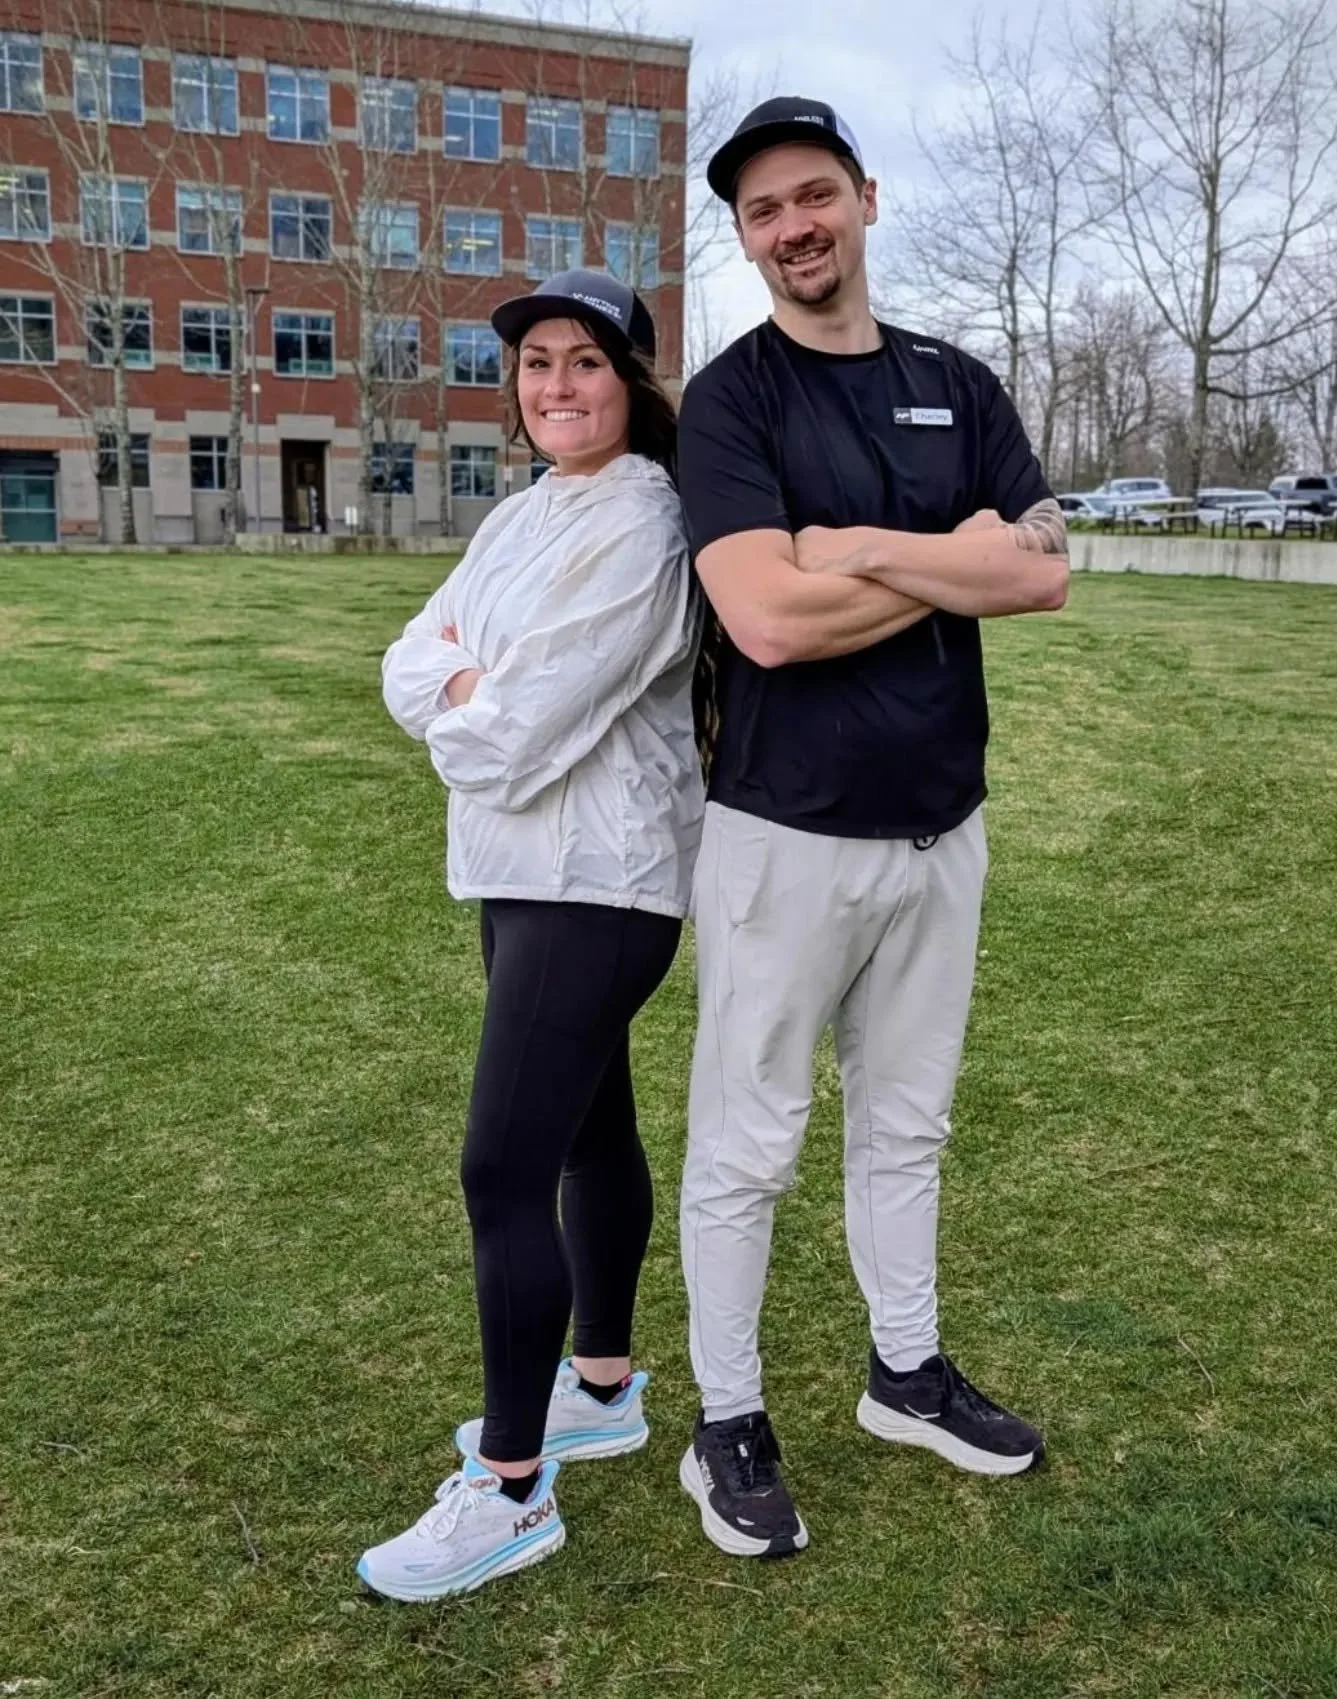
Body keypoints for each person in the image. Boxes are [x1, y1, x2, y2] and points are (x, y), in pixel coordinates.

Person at [676, 98, 1071, 1559]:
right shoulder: (733, 403)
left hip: (938, 831)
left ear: (866, 198)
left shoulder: (955, 386)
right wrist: (953, 557)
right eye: (765, 211)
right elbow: (768, 622)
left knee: (907, 1128)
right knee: (748, 1144)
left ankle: (904, 1375)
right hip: (785, 838)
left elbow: (1041, 576)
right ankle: (726, 1421)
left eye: (814, 195)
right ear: (744, 237)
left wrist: (867, 549)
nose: (794, 228)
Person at [359, 270, 703, 1601]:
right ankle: (601, 1386)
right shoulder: (521, 515)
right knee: (585, 1130)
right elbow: (406, 657)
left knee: (501, 1168)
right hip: (518, 875)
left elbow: (512, 737)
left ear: (634, 380)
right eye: (538, 362)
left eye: (587, 361)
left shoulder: (645, 523)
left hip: (597, 882)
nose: (557, 384)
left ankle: (509, 1491)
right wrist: (462, 679)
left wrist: (467, 690)